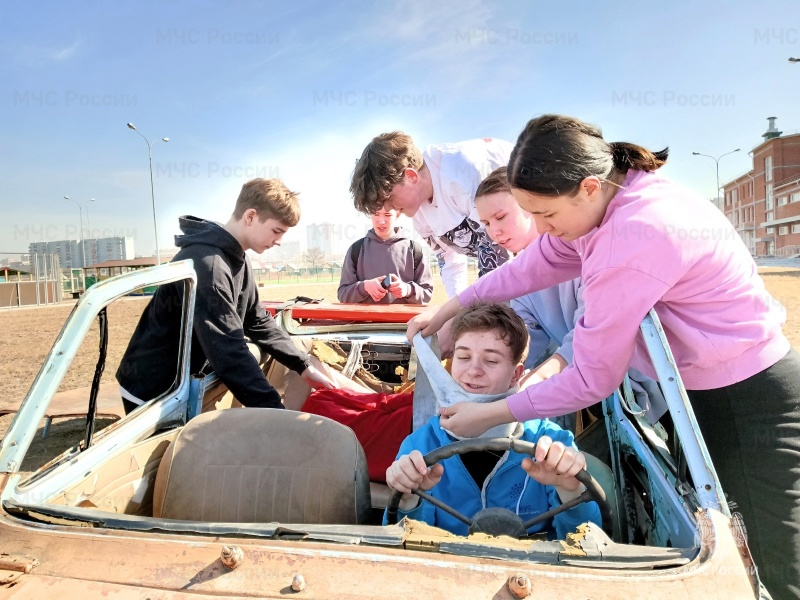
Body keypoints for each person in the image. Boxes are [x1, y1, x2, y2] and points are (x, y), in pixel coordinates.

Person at [406, 114, 799, 596]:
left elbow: (593, 377)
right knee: (716, 530)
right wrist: (448, 309)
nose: (543, 230)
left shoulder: (633, 236)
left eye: (547, 217)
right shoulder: (615, 196)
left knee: (765, 561)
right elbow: (534, 264)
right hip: (701, 387)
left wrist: (492, 412)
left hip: (745, 398)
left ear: (587, 187)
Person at [117, 178, 336, 414]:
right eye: (276, 231)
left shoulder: (238, 257)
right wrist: (276, 411)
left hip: (183, 378)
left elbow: (257, 320)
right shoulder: (208, 264)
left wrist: (302, 365)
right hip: (153, 386)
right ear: (251, 216)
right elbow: (228, 351)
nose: (280, 241)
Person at [385, 303, 601, 538]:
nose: (473, 370)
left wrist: (570, 490)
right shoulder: (418, 447)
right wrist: (408, 499)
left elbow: (588, 546)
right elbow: (404, 547)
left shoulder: (551, 443)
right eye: (464, 356)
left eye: (491, 361)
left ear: (516, 375)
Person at [474, 167, 666, 426]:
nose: (494, 231)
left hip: (646, 385)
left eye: (500, 217)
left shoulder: (579, 253)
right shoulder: (519, 283)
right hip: (597, 395)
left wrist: (539, 379)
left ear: (529, 206)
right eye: (486, 224)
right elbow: (524, 343)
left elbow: (590, 330)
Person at [350, 132, 512, 298]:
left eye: (389, 198)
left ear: (411, 176)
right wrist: (455, 312)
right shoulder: (417, 212)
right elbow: (450, 261)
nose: (391, 209)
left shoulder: (462, 175)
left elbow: (497, 257)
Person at [338, 207, 433, 304]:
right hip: (366, 319)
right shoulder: (356, 249)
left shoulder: (414, 250)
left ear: (398, 214)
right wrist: (364, 287)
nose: (381, 221)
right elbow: (342, 295)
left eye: (387, 215)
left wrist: (407, 290)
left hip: (404, 319)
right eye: (376, 213)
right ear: (369, 214)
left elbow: (427, 294)